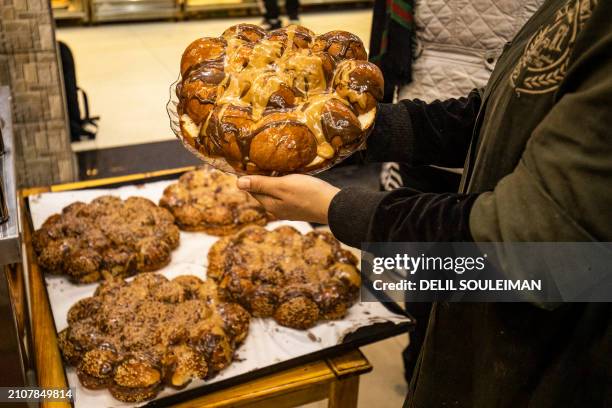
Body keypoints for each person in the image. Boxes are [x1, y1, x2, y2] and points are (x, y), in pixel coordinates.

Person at [237, 0, 611, 406]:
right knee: (429, 308)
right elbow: (497, 112)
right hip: (486, 288)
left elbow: (529, 251)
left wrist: (333, 207)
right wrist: (355, 132)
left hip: (549, 352)